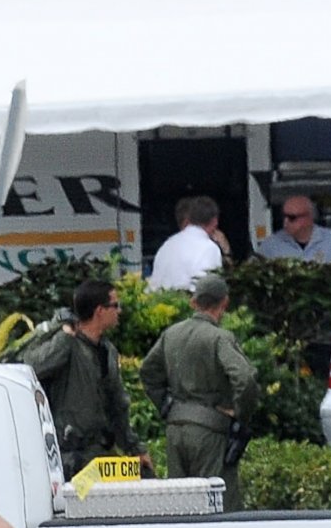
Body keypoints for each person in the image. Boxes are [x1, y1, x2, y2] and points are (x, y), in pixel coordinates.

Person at [141, 273, 260, 508]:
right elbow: (245, 379)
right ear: (224, 302)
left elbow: (147, 372)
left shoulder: (171, 334)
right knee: (216, 504)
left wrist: (167, 406)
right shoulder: (219, 338)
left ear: (193, 302)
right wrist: (240, 414)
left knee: (181, 506)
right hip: (210, 430)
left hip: (176, 429)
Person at [19, 280, 134, 473]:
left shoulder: (107, 351)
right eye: (115, 305)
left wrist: (133, 448)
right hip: (68, 459)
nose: (119, 311)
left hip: (99, 456)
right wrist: (63, 337)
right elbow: (31, 367)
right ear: (100, 311)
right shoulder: (67, 345)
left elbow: (117, 404)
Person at [255, 194, 331, 264]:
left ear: (308, 218)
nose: (285, 222)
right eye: (283, 216)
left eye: (292, 218)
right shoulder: (270, 244)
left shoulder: (330, 239)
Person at [148, 196, 227, 290]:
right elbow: (207, 292)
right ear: (215, 222)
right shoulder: (209, 248)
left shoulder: (167, 245)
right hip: (188, 302)